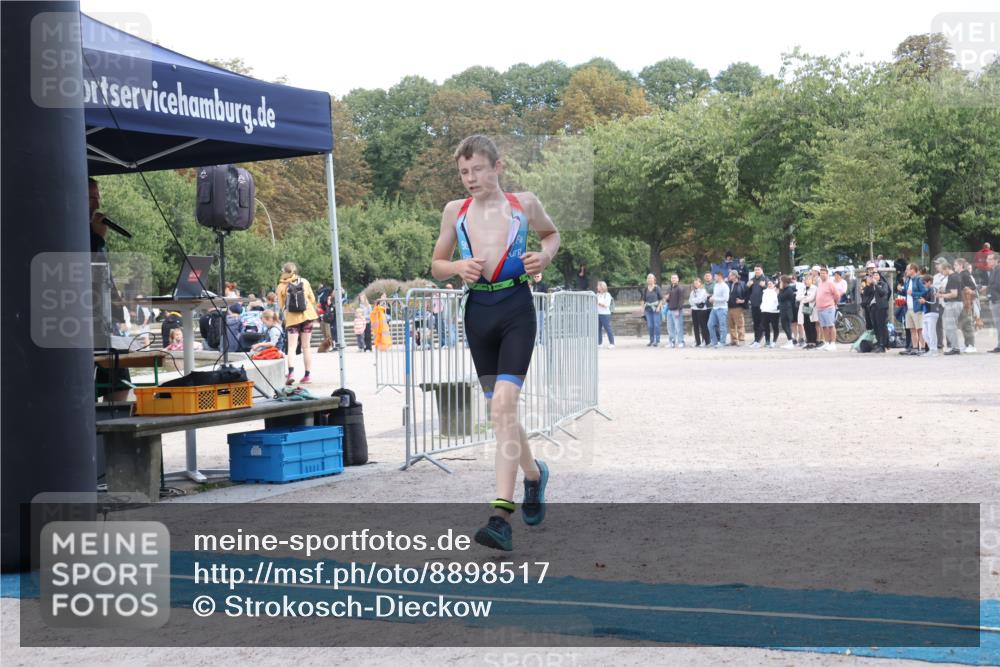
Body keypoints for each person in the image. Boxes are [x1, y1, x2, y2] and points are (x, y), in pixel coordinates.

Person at [430, 134, 559, 552]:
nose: (470, 178)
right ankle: (534, 475)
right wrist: (457, 266)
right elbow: (436, 265)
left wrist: (546, 256)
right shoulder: (455, 211)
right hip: (478, 314)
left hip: (517, 307)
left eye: (478, 170)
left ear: (497, 167)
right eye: (464, 172)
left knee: (503, 406)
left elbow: (551, 235)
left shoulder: (525, 203)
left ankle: (501, 515)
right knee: (502, 409)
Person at [88, 177, 132, 402]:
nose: (97, 204)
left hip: (102, 321)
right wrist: (95, 237)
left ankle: (111, 432)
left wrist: (117, 304)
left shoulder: (96, 234)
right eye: (92, 198)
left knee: (120, 382)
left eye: (98, 198)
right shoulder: (71, 229)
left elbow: (103, 271)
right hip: (80, 321)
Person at [275, 261, 319, 384]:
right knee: (306, 347)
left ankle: (291, 374)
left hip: (292, 319)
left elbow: (281, 305)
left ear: (283, 271)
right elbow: (313, 299)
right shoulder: (304, 282)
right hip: (307, 316)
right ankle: (307, 375)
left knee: (292, 347)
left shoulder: (281, 286)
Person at [901, 263, 927, 356]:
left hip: (917, 308)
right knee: (912, 329)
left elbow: (924, 292)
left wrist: (913, 293)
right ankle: (915, 348)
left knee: (920, 329)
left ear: (913, 270)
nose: (906, 271)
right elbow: (907, 293)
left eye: (907, 269)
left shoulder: (919, 280)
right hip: (909, 308)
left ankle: (923, 348)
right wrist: (902, 290)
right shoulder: (908, 281)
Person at [815, 267, 841, 351]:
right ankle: (826, 343)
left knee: (831, 325)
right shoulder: (820, 283)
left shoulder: (830, 283)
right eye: (821, 273)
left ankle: (833, 343)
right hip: (820, 308)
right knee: (824, 327)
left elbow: (837, 295)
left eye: (824, 273)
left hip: (829, 307)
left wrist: (834, 303)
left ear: (827, 274)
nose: (822, 275)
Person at [867, 269, 891, 352]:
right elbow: (866, 294)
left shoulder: (883, 284)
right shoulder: (871, 285)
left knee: (882, 326)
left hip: (881, 307)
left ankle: (883, 345)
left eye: (877, 275)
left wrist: (876, 284)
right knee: (875, 326)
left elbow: (882, 293)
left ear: (879, 277)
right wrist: (868, 285)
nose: (875, 276)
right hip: (873, 307)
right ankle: (879, 343)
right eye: (873, 275)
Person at [918, 275, 941, 357]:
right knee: (924, 333)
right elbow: (921, 297)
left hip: (933, 312)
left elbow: (934, 302)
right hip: (926, 313)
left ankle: (934, 349)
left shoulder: (934, 289)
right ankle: (931, 348)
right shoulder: (927, 290)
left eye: (924, 283)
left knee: (932, 332)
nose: (923, 285)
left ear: (929, 282)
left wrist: (925, 301)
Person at [746, 265, 767, 348]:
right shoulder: (752, 280)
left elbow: (770, 290)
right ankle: (756, 340)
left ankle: (762, 340)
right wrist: (747, 286)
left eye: (758, 269)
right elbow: (745, 290)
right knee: (756, 324)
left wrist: (764, 286)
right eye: (755, 270)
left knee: (762, 324)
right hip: (754, 304)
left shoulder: (765, 279)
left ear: (762, 270)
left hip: (762, 305)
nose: (756, 271)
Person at [707, 272, 730, 348]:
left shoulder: (725, 286)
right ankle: (714, 342)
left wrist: (715, 299)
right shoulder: (716, 285)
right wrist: (711, 297)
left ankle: (722, 342)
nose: (714, 277)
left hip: (722, 308)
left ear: (720, 276)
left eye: (715, 276)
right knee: (710, 325)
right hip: (715, 308)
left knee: (722, 326)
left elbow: (726, 299)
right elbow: (715, 295)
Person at [984, 252, 1000, 353]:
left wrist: (987, 288)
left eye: (990, 259)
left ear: (996, 260)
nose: (987, 261)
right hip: (994, 299)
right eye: (987, 259)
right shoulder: (994, 270)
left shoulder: (998, 270)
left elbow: (998, 285)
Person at [726, 270, 748, 346]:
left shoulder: (742, 284)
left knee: (740, 324)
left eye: (730, 275)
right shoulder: (728, 284)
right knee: (731, 325)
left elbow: (747, 295)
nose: (729, 277)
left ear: (735, 276)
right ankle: (734, 340)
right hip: (729, 308)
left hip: (738, 308)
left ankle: (741, 340)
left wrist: (743, 301)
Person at [641, 273, 663, 347]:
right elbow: (643, 300)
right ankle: (651, 340)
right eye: (648, 278)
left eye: (651, 278)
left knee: (656, 325)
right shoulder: (645, 289)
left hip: (656, 309)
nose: (650, 279)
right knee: (650, 326)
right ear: (647, 280)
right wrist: (642, 308)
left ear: (654, 280)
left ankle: (657, 341)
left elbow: (661, 299)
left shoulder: (657, 288)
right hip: (648, 310)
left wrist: (658, 307)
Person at [688, 278, 710, 347]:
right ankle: (698, 342)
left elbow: (700, 299)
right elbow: (690, 301)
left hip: (701, 310)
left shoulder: (703, 291)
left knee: (703, 326)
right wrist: (695, 301)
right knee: (695, 326)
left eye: (697, 283)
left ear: (700, 283)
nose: (696, 284)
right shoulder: (692, 292)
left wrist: (694, 301)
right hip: (694, 310)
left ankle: (706, 341)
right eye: (695, 283)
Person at [798, 273, 819, 349]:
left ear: (812, 280)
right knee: (805, 325)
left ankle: (813, 342)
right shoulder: (803, 288)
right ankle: (808, 341)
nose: (806, 281)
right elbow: (797, 297)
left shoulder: (814, 288)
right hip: (804, 308)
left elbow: (811, 298)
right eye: (805, 279)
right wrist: (804, 297)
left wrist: (803, 298)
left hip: (810, 308)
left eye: (808, 279)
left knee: (811, 325)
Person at [664, 273, 685, 348]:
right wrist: (666, 298)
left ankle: (681, 341)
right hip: (669, 310)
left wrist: (678, 310)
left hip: (677, 310)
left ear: (678, 279)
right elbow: (667, 299)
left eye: (675, 278)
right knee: (670, 327)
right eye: (672, 278)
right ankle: (671, 342)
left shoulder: (680, 288)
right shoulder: (669, 288)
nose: (673, 279)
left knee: (678, 327)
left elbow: (681, 300)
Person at [778, 275, 797, 348]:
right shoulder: (785, 289)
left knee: (787, 326)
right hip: (784, 309)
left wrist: (780, 289)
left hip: (787, 310)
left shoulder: (788, 290)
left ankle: (790, 342)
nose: (780, 283)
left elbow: (780, 297)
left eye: (781, 281)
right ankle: (790, 340)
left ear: (784, 282)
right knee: (784, 325)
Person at [760, 279, 780, 348]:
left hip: (774, 312)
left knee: (775, 327)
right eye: (768, 283)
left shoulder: (776, 291)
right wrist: (762, 308)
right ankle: (767, 341)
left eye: (771, 283)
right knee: (766, 327)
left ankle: (774, 341)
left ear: (774, 284)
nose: (769, 285)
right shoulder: (765, 292)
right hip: (765, 311)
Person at [595, 281, 615, 349]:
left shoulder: (607, 295)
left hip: (605, 314)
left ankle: (612, 343)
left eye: (598, 286)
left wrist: (598, 303)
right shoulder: (597, 294)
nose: (597, 287)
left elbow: (607, 305)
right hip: (598, 314)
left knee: (608, 328)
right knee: (598, 329)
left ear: (602, 287)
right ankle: (599, 343)